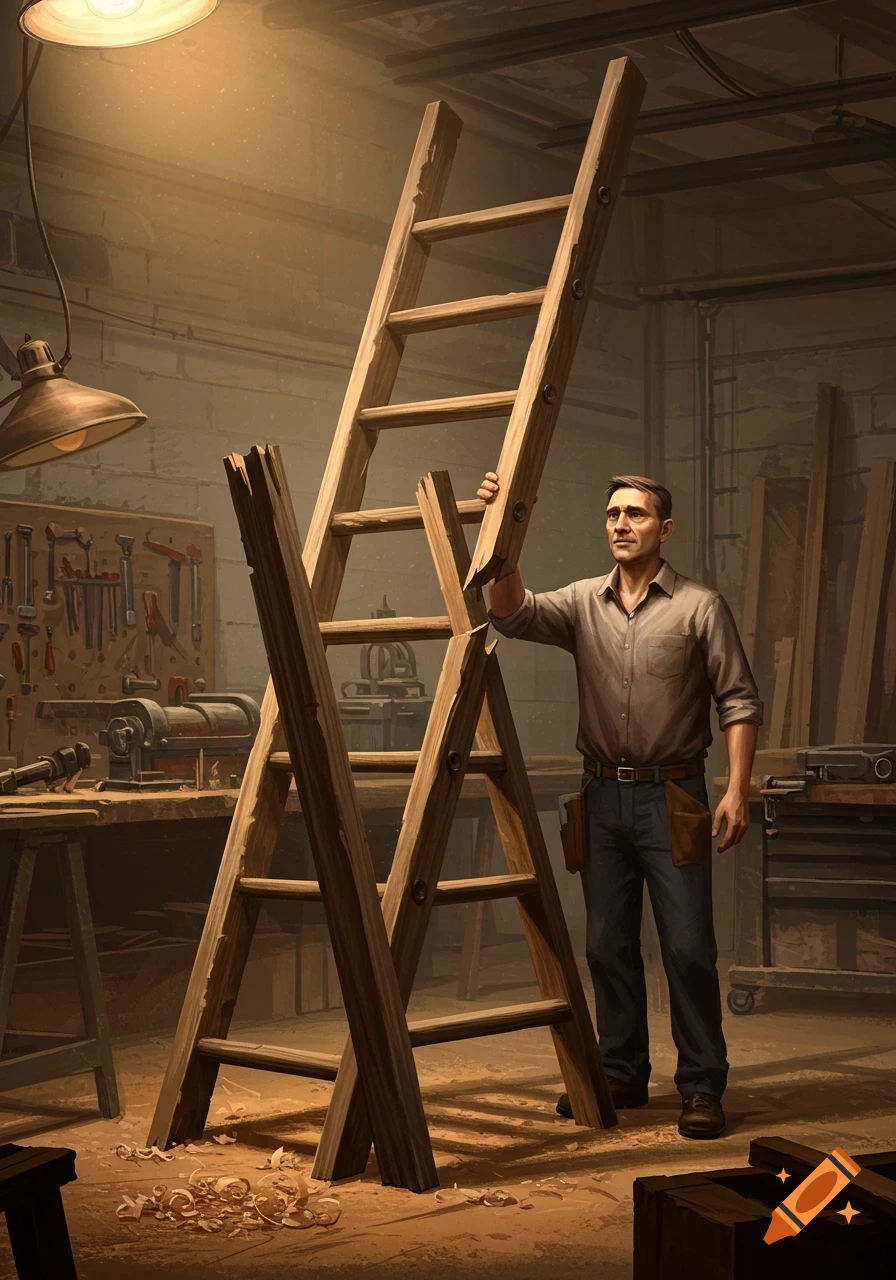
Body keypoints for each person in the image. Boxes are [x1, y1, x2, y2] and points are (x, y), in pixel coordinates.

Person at [480, 471, 762, 1139]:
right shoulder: (582, 602)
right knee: (607, 945)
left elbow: (739, 701)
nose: (620, 523)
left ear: (664, 529)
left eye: (635, 513)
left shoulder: (700, 607)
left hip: (677, 797)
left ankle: (699, 1086)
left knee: (689, 948)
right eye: (612, 513)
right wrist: (504, 531)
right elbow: (510, 612)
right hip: (602, 797)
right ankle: (622, 1072)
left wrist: (738, 788)